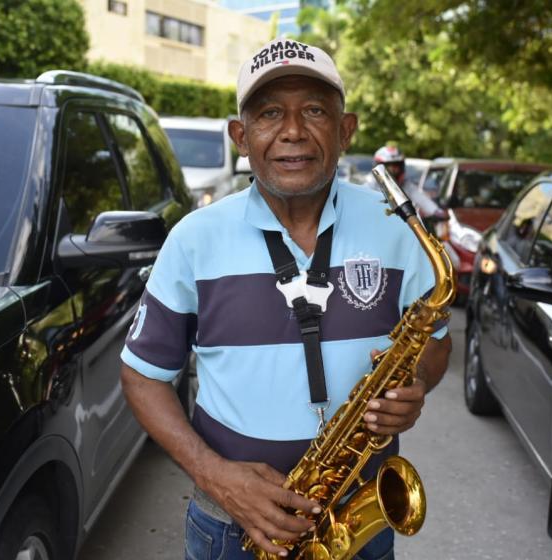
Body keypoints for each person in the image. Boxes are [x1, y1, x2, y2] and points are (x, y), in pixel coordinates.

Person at [120, 38, 452, 560]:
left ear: (346, 131)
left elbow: (434, 344)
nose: (293, 131)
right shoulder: (193, 238)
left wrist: (417, 383)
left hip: (354, 517)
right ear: (241, 136)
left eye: (315, 110)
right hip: (231, 528)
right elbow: (142, 376)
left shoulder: (398, 231)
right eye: (270, 112)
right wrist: (216, 476)